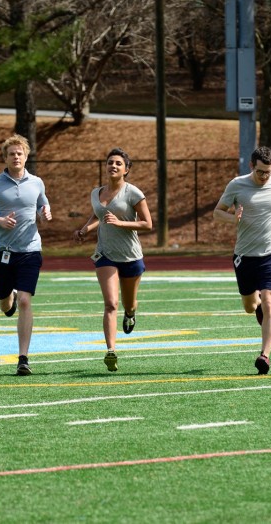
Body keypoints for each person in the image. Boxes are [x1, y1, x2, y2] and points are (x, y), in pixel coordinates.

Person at [213, 145, 271, 375]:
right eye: (260, 171)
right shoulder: (237, 185)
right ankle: (257, 305)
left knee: (270, 301)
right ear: (251, 166)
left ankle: (265, 356)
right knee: (251, 306)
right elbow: (217, 212)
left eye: (268, 172)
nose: (264, 176)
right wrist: (232, 219)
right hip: (245, 255)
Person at [0, 134, 52, 376]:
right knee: (6, 303)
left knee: (26, 301)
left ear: (26, 156)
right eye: (11, 154)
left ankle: (23, 358)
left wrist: (44, 212)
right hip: (3, 252)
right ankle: (9, 300)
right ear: (5, 158)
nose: (16, 157)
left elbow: (42, 203)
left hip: (30, 250)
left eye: (20, 153)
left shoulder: (36, 182)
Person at [74, 147, 153, 372]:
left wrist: (121, 223)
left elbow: (147, 224)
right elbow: (98, 216)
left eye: (118, 163)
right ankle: (111, 350)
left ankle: (130, 314)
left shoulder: (134, 193)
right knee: (111, 303)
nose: (113, 166)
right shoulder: (96, 193)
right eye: (110, 162)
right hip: (105, 254)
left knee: (128, 304)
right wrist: (84, 230)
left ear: (126, 169)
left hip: (130, 256)